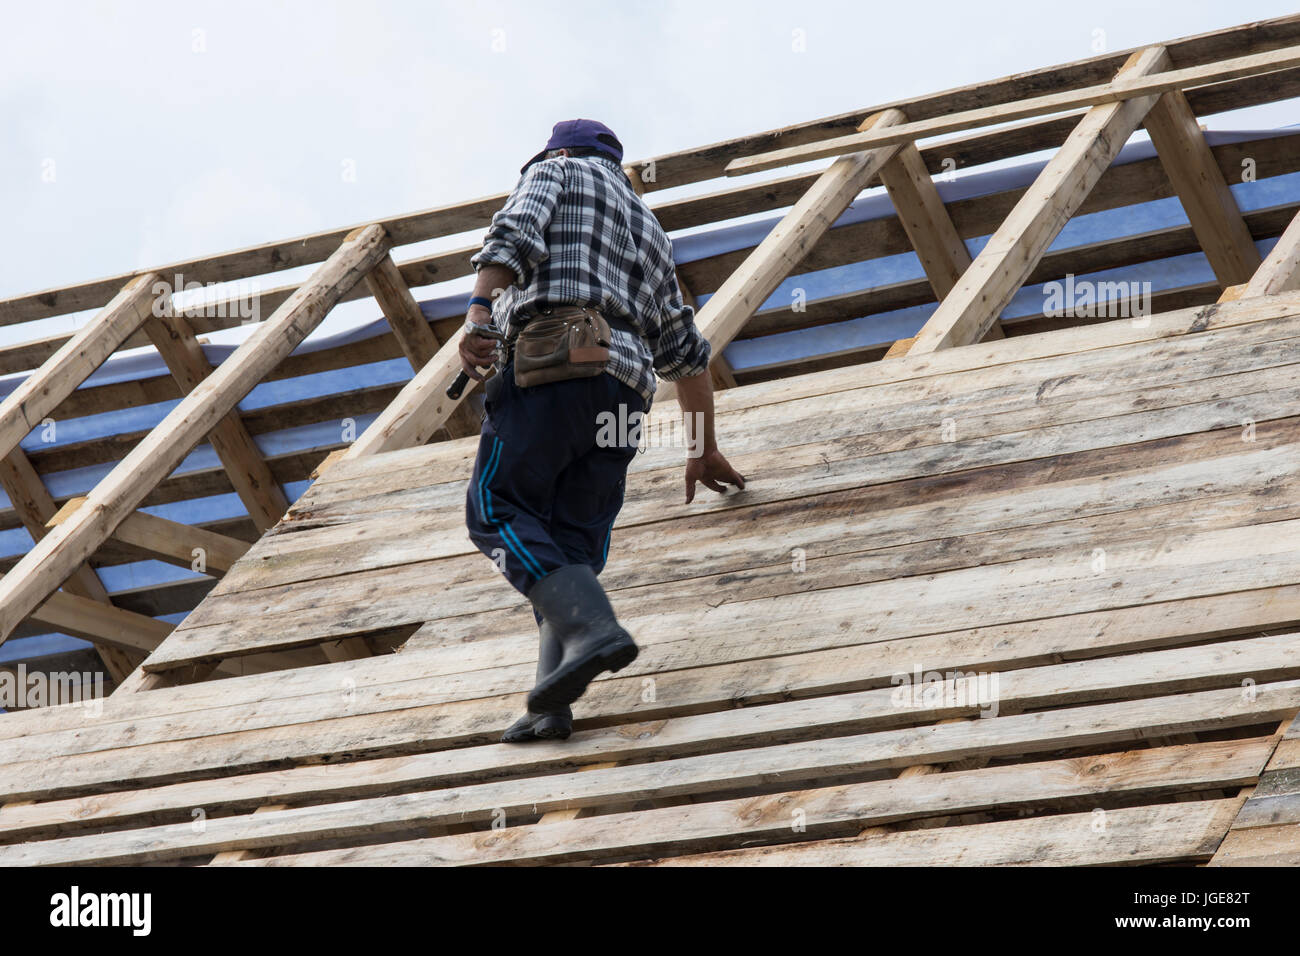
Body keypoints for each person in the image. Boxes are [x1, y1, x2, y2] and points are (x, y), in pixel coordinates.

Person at [459, 119, 745, 743]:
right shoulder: (648, 229)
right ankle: (550, 703)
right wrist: (703, 449)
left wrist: (480, 311)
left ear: (559, 149)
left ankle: (592, 630)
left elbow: (512, 235)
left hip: (552, 368)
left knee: (497, 506)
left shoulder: (555, 171)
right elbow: (686, 354)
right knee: (570, 546)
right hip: (621, 400)